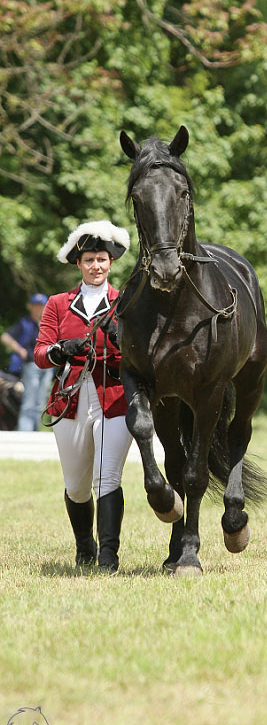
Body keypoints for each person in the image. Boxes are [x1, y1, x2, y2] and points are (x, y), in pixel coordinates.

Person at [34, 220, 132, 572]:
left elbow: (141, 356)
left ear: (111, 262)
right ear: (78, 264)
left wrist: (123, 342)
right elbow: (40, 353)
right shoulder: (58, 304)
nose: (96, 266)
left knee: (108, 477)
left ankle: (108, 556)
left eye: (102, 259)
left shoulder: (124, 303)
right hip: (70, 399)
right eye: (89, 260)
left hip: (113, 397)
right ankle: (84, 545)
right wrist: (62, 349)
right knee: (76, 486)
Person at [1, 294, 54, 430]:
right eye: (35, 306)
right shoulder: (25, 323)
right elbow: (5, 337)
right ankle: (25, 433)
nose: (38, 309)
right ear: (30, 307)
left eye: (41, 306)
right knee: (29, 401)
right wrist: (20, 350)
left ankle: (34, 432)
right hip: (31, 365)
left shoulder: (50, 323)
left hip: (48, 365)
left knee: (41, 402)